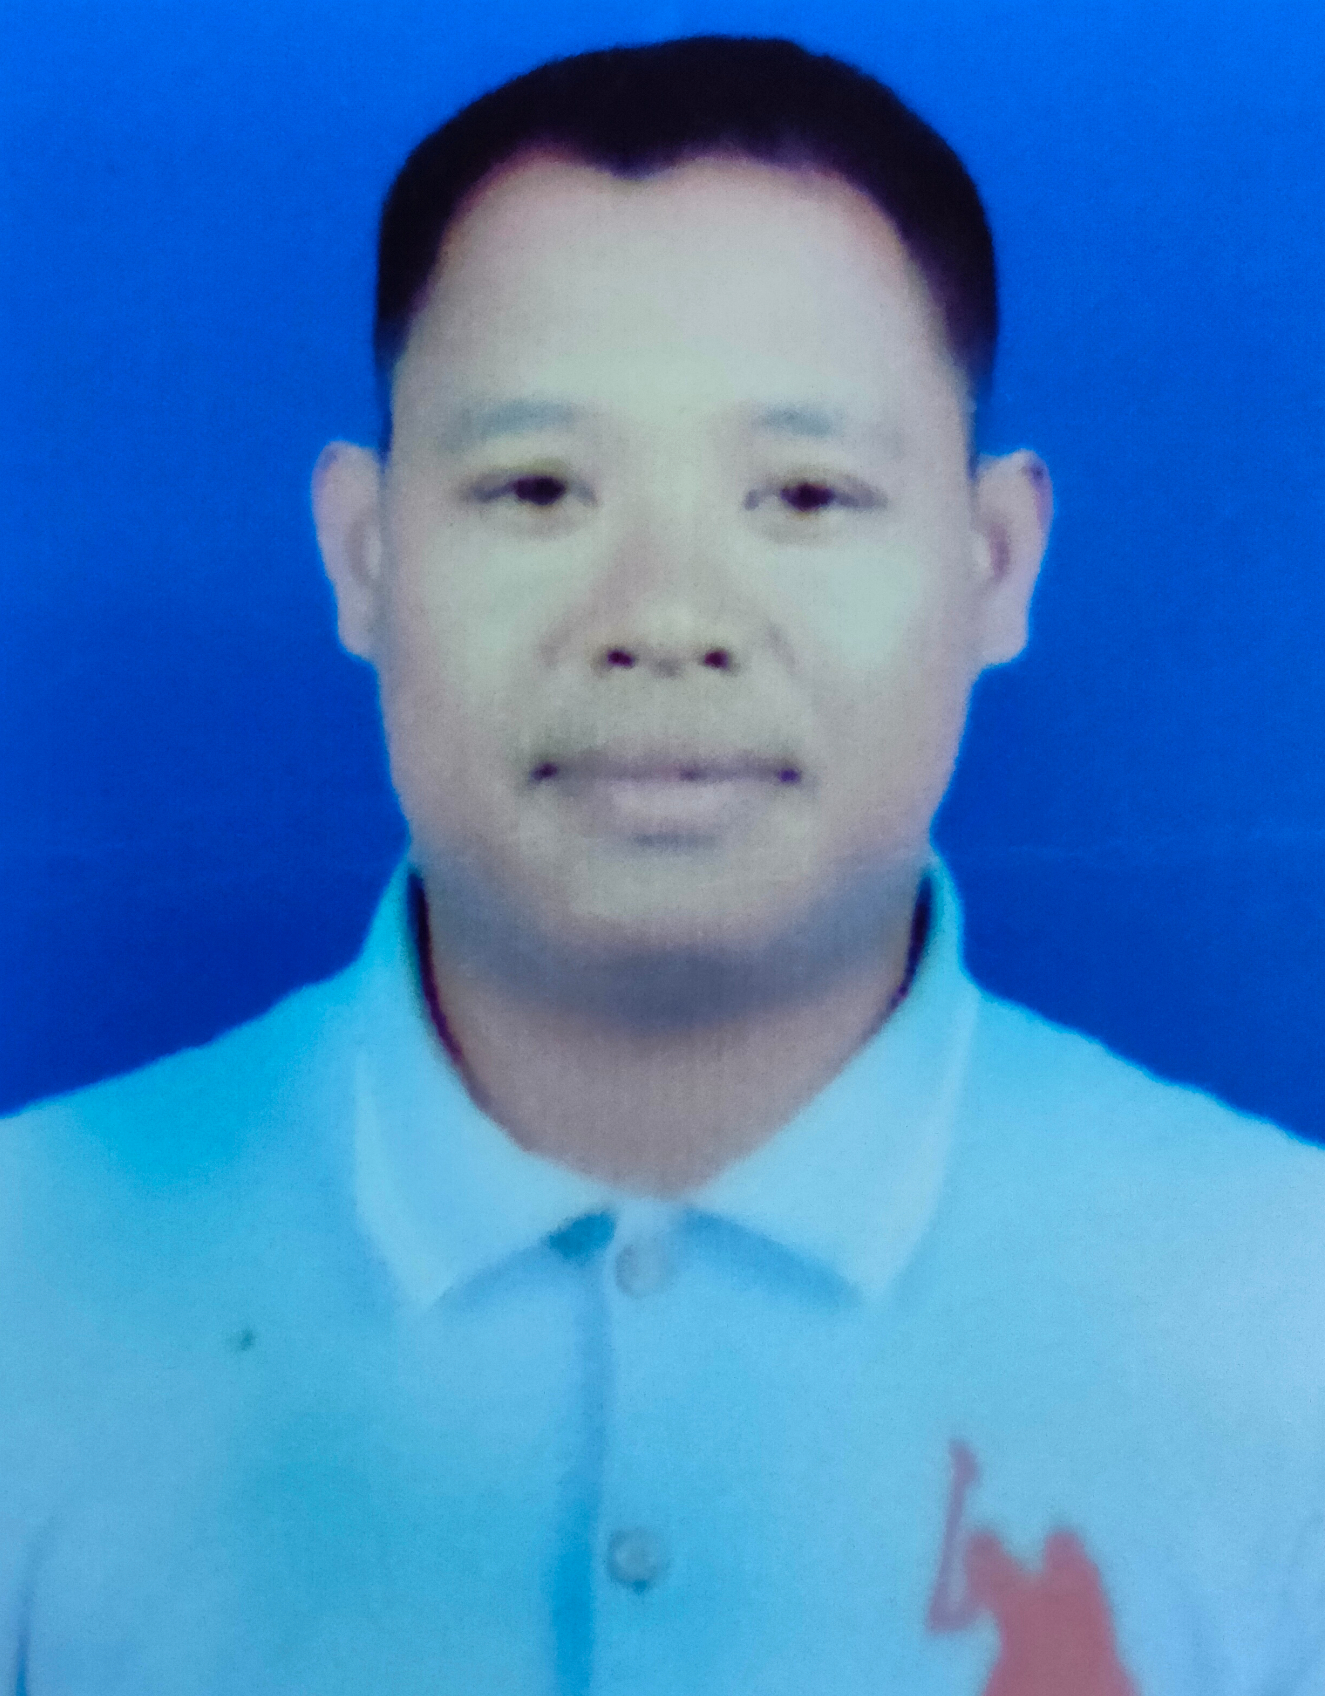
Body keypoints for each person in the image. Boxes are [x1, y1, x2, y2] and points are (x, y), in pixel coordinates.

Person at [1, 34, 1322, 1696]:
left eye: (805, 494)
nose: (667, 618)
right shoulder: (31, 1283)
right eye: (537, 486)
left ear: (993, 563)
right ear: (366, 553)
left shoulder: (1283, 1310)